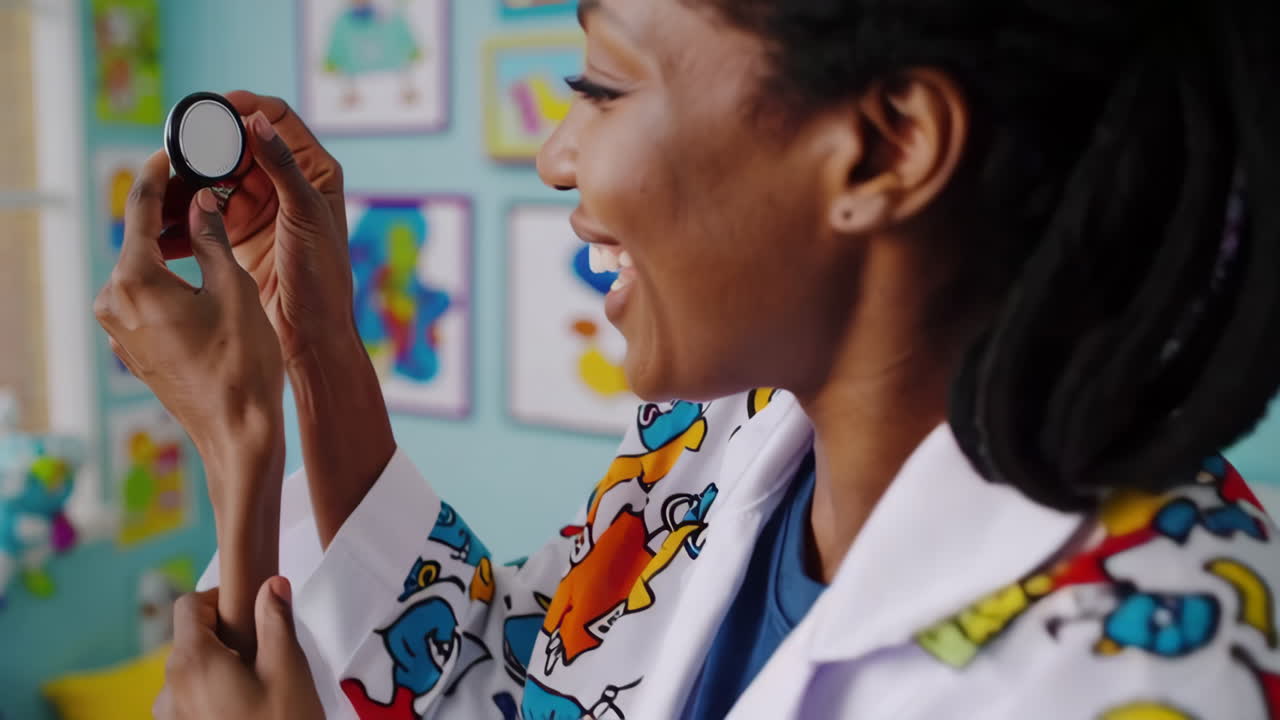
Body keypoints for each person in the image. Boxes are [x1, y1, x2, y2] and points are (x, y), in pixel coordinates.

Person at [95, 0, 1280, 717]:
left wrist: (243, 452)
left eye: (600, 86)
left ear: (884, 148)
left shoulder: (1151, 674)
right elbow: (501, 680)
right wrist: (309, 347)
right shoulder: (714, 434)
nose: (559, 155)